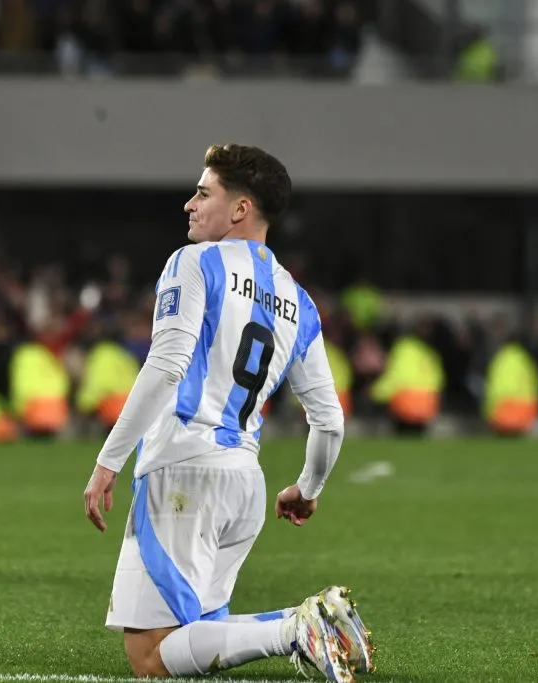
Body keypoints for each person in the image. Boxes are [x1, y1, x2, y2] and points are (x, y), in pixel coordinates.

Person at [82, 144, 375, 681]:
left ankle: (294, 627)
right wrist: (308, 489)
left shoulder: (194, 262)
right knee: (199, 638)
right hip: (245, 484)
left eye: (203, 192)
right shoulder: (298, 299)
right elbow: (329, 419)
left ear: (240, 209)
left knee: (150, 656)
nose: (189, 204)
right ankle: (311, 621)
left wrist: (108, 461)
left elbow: (166, 365)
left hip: (183, 473)